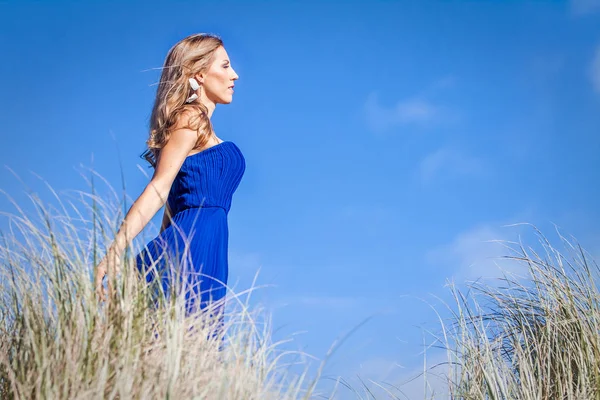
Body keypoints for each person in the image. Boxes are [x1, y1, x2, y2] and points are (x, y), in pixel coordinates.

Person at [94, 33, 244, 322]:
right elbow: (159, 188)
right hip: (192, 246)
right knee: (184, 337)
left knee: (193, 348)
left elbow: (173, 203)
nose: (234, 75)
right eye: (225, 66)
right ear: (199, 73)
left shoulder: (200, 127)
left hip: (206, 247)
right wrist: (115, 252)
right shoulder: (190, 118)